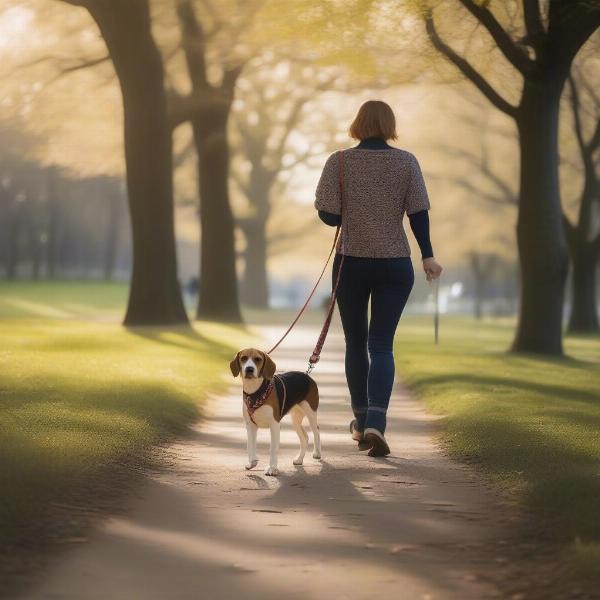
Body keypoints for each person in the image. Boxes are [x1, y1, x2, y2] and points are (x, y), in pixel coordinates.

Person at [314, 99, 442, 457]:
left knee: (356, 342)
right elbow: (418, 214)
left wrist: (350, 208)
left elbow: (329, 214)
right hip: (395, 263)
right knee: (381, 345)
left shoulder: (339, 161)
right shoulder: (407, 162)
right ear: (389, 125)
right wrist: (428, 255)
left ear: (358, 124)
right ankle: (376, 423)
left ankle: (359, 420)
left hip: (351, 263)